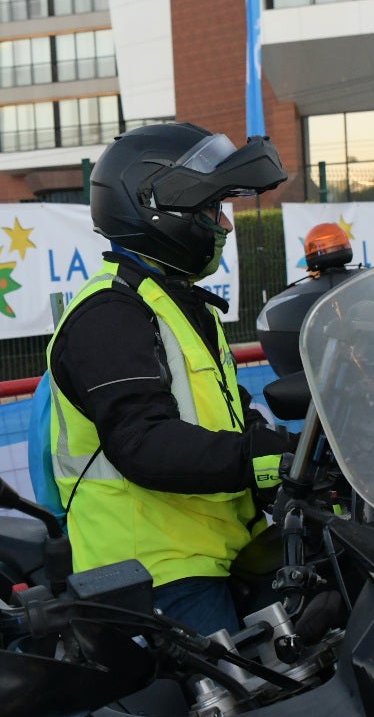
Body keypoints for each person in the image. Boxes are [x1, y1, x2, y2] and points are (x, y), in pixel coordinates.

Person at [45, 123, 296, 636]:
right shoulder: (110, 313)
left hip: (218, 549)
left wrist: (303, 450)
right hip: (154, 572)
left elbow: (227, 414)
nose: (225, 223)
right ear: (159, 209)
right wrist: (263, 460)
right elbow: (144, 442)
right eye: (212, 209)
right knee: (251, 705)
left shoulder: (175, 303)